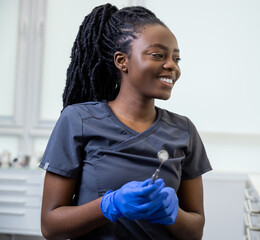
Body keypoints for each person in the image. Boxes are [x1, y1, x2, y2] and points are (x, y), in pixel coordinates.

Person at [39, 3, 212, 240]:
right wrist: (110, 205)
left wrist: (173, 214)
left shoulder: (184, 131)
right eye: (158, 55)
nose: (172, 65)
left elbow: (195, 231)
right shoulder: (78, 120)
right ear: (122, 61)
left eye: (176, 58)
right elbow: (50, 226)